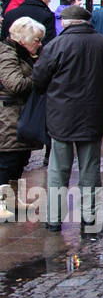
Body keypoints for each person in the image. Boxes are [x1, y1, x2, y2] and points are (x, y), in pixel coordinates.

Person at [31, 5, 103, 234]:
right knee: (90, 168)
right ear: (86, 22)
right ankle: (90, 217)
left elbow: (39, 80)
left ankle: (53, 218)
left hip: (61, 116)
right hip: (93, 114)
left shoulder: (55, 46)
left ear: (66, 22)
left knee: (58, 169)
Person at [0, 17, 46, 221]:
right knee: (8, 160)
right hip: (8, 113)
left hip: (19, 112)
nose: (39, 44)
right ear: (23, 39)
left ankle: (11, 198)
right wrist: (39, 75)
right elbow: (15, 84)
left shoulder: (23, 53)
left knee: (19, 158)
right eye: (36, 39)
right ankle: (1, 202)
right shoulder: (7, 53)